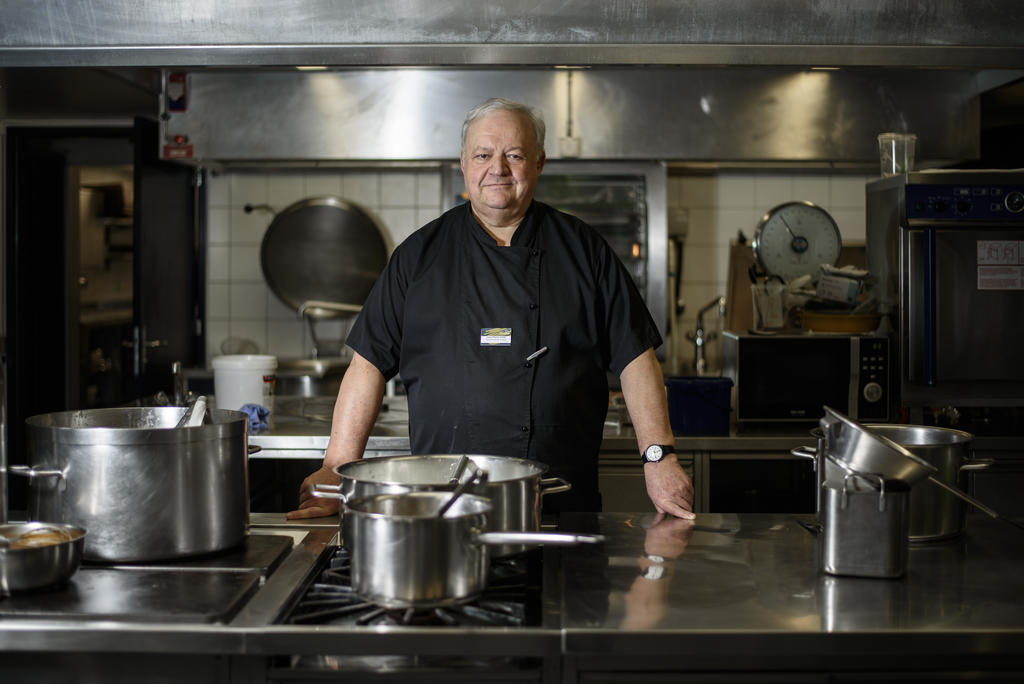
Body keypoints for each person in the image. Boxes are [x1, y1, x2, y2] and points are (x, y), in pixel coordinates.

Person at [286, 97, 694, 520]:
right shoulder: (419, 257)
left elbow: (636, 358)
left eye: (514, 155)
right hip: (440, 511)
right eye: (483, 154)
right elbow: (367, 365)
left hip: (559, 502)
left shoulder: (583, 251)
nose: (497, 169)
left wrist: (659, 456)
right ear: (463, 163)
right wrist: (334, 467)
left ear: (538, 163)